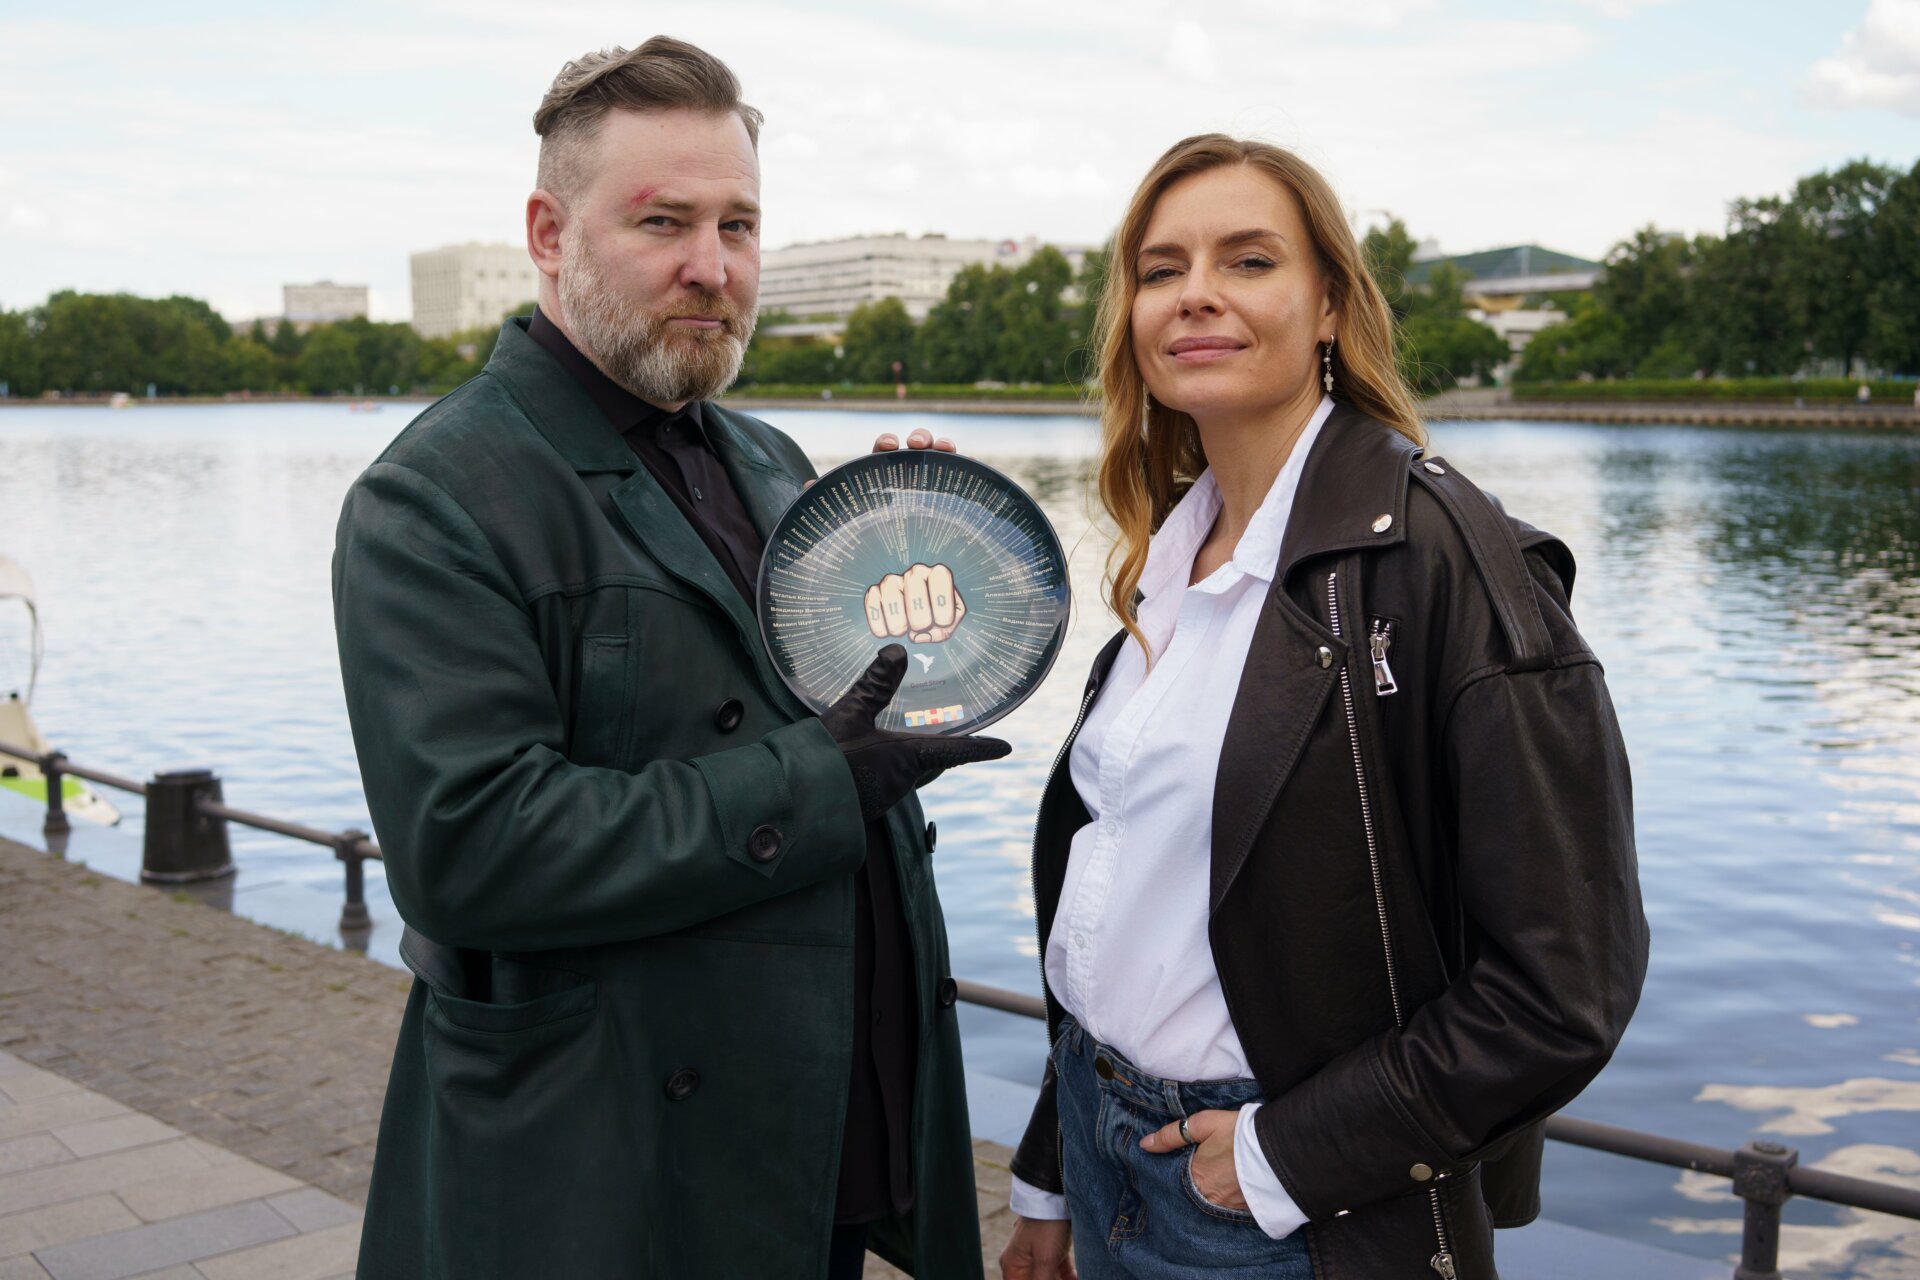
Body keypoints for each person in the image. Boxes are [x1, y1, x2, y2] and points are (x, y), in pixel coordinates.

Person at [333, 37, 1002, 1279]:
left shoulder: (770, 461)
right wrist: (817, 781)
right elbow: (471, 847)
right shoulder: (433, 496)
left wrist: (913, 557)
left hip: (819, 1136)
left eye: (739, 224)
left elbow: (834, 722)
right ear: (549, 234)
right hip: (609, 1176)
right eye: (664, 222)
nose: (713, 266)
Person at [998, 134, 1649, 1280]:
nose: (1196, 292)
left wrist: (1275, 1161)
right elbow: (1125, 899)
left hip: (1275, 1206)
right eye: (1161, 269)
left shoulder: (1450, 559)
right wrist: (1051, 1170)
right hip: (1109, 1152)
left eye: (1249, 261)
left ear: (1333, 305)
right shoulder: (1172, 557)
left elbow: (1566, 988)